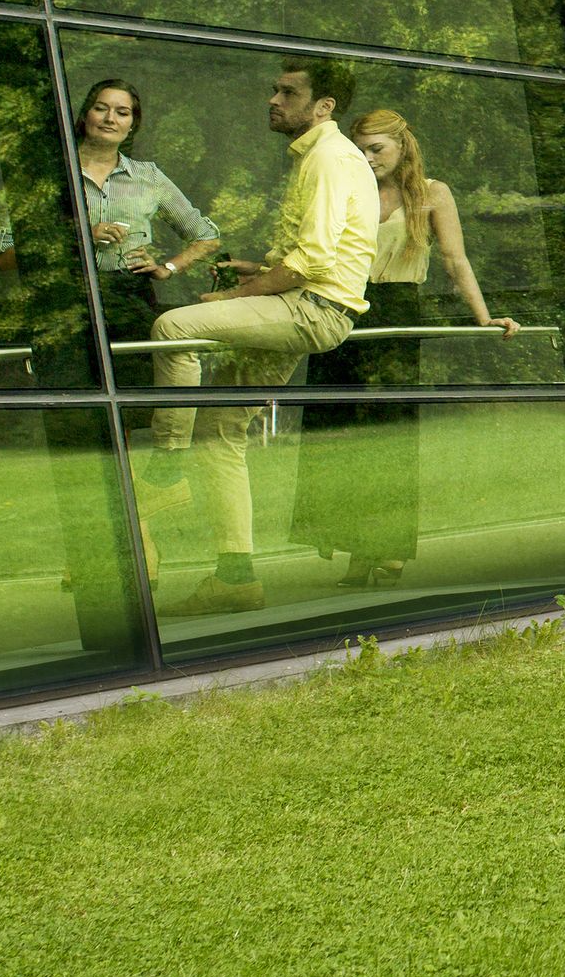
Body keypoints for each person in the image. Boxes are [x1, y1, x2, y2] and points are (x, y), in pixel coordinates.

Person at [145, 58, 379, 617]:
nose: (273, 100)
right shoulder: (321, 157)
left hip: (311, 309)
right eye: (274, 90)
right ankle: (235, 577)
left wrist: (232, 299)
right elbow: (305, 257)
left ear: (323, 107)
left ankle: (166, 467)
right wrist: (259, 273)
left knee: (172, 326)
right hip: (301, 301)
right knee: (223, 427)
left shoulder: (327, 158)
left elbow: (312, 263)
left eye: (288, 92)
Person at [295, 108, 515, 589]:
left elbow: (456, 261)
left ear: (402, 147)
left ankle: (388, 546)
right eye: (362, 149)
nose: (368, 158)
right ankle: (356, 549)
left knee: (388, 435)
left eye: (378, 149)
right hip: (341, 309)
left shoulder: (432, 194)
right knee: (338, 437)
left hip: (396, 314)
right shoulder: (345, 187)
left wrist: (484, 317)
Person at [63, 77, 219, 348]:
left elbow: (207, 237)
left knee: (134, 381)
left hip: (130, 300)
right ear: (85, 114)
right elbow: (5, 254)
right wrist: (82, 236)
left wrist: (167, 268)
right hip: (64, 295)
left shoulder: (148, 177)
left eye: (122, 113)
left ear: (132, 124)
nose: (110, 118)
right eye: (101, 108)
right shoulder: (53, 173)